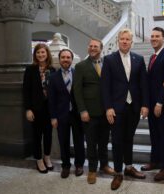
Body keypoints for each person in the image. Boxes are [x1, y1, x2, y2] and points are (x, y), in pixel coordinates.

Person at [101, 28, 149, 190]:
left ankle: (129, 167)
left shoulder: (139, 59)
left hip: (133, 107)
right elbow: (105, 87)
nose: (124, 41)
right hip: (116, 108)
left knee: (129, 138)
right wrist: (108, 107)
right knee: (116, 141)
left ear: (131, 42)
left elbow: (143, 84)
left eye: (127, 39)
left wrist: (144, 105)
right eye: (122, 39)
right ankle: (118, 172)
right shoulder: (109, 60)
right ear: (118, 41)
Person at [73, 39, 114, 184]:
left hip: (106, 111)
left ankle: (104, 165)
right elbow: (77, 91)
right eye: (90, 46)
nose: (92, 48)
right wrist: (82, 110)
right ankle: (91, 169)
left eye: (96, 46)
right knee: (91, 143)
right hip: (89, 113)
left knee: (104, 141)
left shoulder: (108, 64)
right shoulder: (80, 66)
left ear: (101, 48)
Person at [140, 27, 164, 181]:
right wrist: (147, 104)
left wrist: (160, 103)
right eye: (152, 36)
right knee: (154, 134)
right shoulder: (153, 57)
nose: (154, 38)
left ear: (163, 38)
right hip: (152, 103)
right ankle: (155, 161)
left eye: (157, 36)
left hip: (162, 105)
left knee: (163, 136)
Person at [48, 49, 85, 178]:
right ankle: (66, 166)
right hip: (61, 115)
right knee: (63, 141)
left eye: (68, 57)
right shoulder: (53, 78)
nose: (65, 59)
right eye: (63, 57)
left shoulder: (78, 74)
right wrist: (53, 117)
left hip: (77, 114)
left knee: (79, 140)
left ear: (71, 59)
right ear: (59, 59)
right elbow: (51, 100)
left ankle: (79, 165)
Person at [23, 43, 55, 174]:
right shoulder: (30, 69)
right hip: (35, 109)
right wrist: (28, 109)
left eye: (43, 52)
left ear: (47, 54)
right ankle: (38, 159)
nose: (41, 55)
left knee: (48, 135)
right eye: (38, 53)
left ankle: (47, 157)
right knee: (37, 135)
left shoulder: (52, 70)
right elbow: (26, 90)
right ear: (35, 55)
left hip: (50, 108)